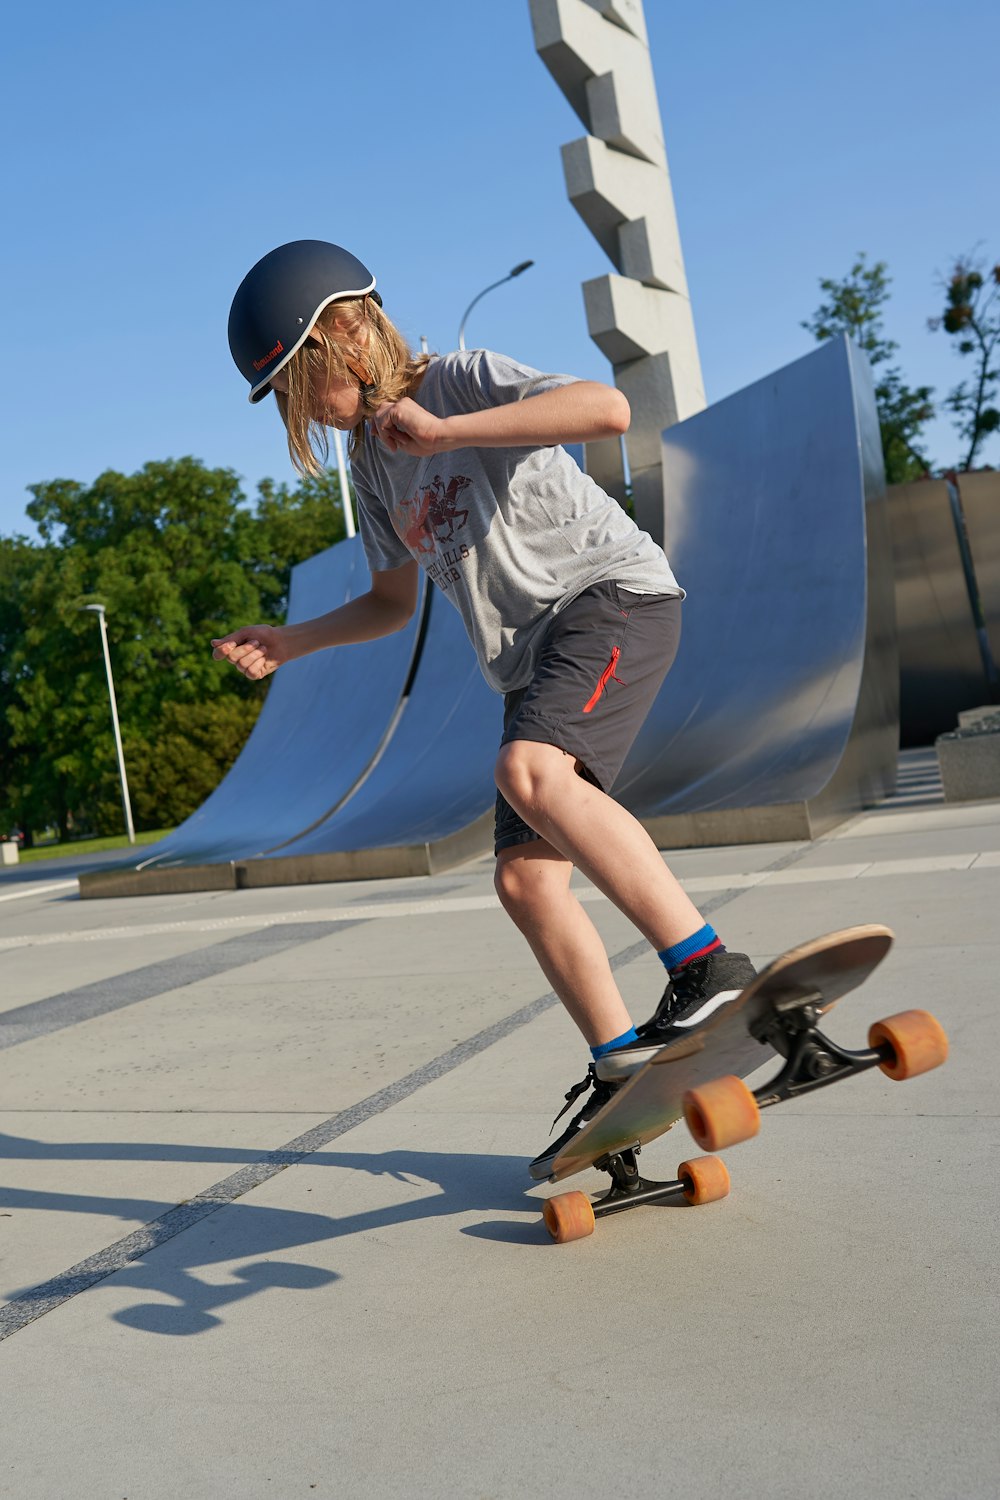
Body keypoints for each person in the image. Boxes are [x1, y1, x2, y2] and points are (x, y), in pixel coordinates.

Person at [218, 239, 756, 1179]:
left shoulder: (460, 380)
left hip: (609, 599)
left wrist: (448, 433)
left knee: (530, 773)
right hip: (532, 665)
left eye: (305, 389)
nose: (306, 415)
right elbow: (392, 606)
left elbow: (607, 407)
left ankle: (708, 966)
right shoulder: (371, 471)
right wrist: (293, 640)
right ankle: (622, 1067)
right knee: (524, 882)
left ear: (342, 333)